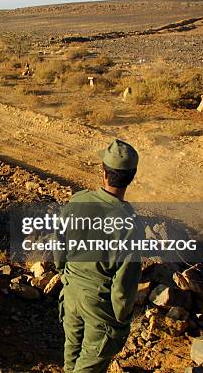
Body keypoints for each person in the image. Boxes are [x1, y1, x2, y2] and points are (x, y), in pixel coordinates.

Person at [56, 139, 142, 373]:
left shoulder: (78, 201)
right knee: (91, 362)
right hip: (100, 302)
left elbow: (59, 246)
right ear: (132, 176)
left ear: (103, 172)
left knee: (71, 353)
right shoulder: (129, 224)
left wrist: (64, 274)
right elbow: (125, 283)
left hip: (72, 291)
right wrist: (122, 319)